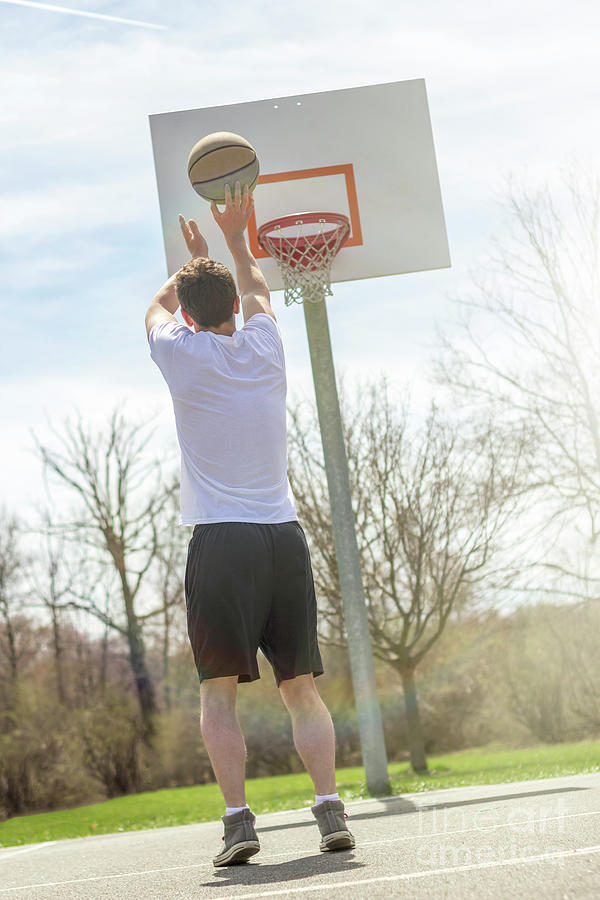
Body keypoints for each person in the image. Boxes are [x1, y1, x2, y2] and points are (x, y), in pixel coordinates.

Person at [145, 182, 355, 867]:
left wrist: (186, 268)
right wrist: (234, 241)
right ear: (233, 307)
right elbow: (259, 287)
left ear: (192, 316)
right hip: (281, 537)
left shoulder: (180, 354)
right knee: (301, 687)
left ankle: (239, 823)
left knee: (217, 694)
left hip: (221, 542)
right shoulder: (266, 346)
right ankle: (329, 812)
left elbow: (153, 309)